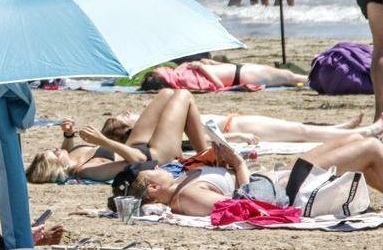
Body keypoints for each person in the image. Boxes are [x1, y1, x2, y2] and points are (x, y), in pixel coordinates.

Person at [130, 134, 383, 217]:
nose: (159, 168)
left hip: (285, 180)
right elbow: (242, 207)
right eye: (154, 172)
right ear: (152, 189)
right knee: (370, 147)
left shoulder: (183, 183)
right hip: (290, 191)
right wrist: (239, 165)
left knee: (356, 139)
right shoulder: (187, 196)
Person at [27, 89, 211, 184]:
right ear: (60, 167)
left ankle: (204, 154)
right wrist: (103, 141)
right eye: (55, 154)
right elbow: (136, 161)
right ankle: (206, 157)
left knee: (167, 94)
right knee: (184, 95)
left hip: (136, 143)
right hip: (153, 155)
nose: (57, 148)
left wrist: (68, 135)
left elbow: (67, 151)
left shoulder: (70, 157)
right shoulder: (87, 169)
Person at [101, 107, 381, 147]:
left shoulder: (161, 129)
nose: (128, 111)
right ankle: (366, 133)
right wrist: (235, 135)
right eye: (125, 116)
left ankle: (343, 128)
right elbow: (203, 134)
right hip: (236, 124)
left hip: (236, 121)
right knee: (299, 132)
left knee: (297, 129)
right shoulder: (164, 124)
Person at [139, 59, 308, 92]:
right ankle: (320, 81)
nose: (162, 68)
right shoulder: (183, 80)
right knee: (290, 77)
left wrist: (209, 64)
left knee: (289, 76)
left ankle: (314, 80)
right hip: (242, 75)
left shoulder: (179, 75)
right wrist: (203, 68)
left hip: (240, 70)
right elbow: (218, 85)